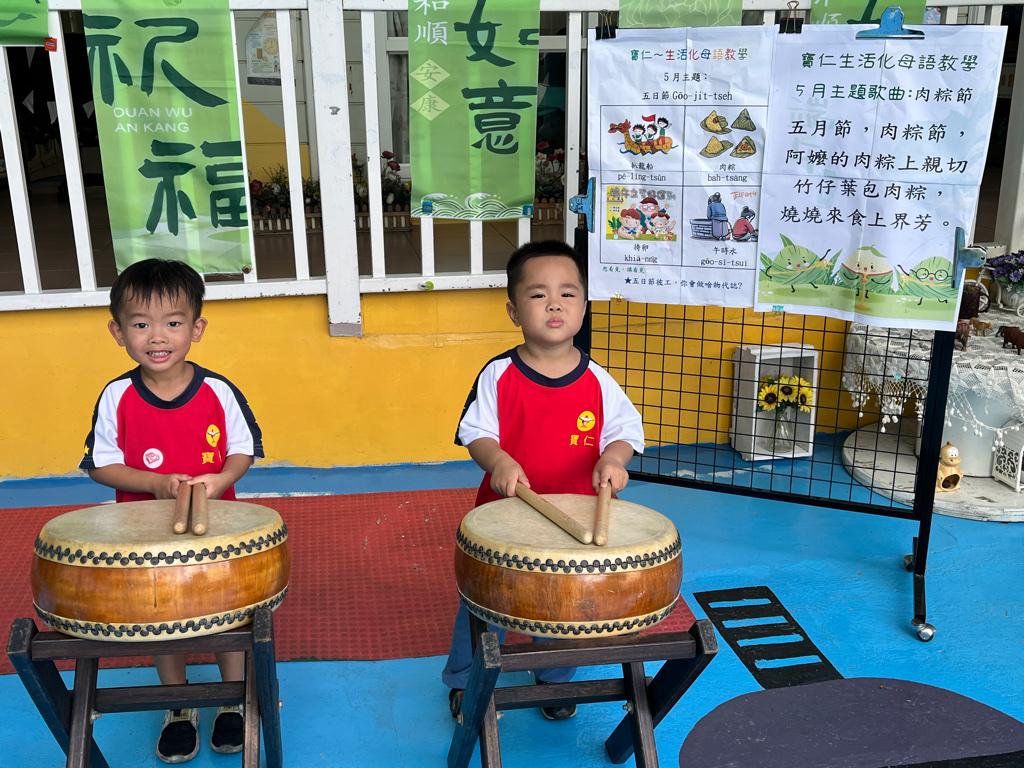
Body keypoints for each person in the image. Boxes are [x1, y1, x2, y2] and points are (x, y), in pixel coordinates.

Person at [442, 241, 644, 722]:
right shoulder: (498, 374)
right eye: (538, 295)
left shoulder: (599, 380)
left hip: (575, 521)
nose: (555, 304)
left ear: (584, 307)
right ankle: (465, 681)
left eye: (567, 294)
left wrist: (614, 458)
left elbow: (625, 432)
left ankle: (554, 677)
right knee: (487, 600)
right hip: (504, 518)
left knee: (562, 603)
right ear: (513, 311)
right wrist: (497, 459)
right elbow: (476, 432)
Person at [80, 258, 263, 764]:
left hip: (216, 533)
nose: (157, 337)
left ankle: (232, 699)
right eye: (141, 324)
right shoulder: (117, 396)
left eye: (173, 322)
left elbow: (243, 450)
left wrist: (221, 479)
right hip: (144, 539)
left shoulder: (218, 391)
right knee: (164, 619)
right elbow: (101, 465)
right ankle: (178, 705)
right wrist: (155, 484)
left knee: (225, 614)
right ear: (118, 332)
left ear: (196, 329)